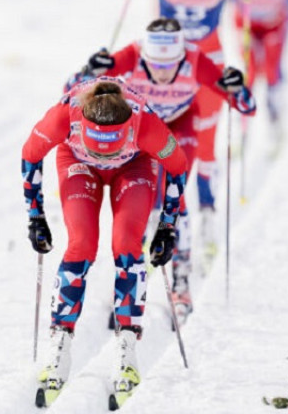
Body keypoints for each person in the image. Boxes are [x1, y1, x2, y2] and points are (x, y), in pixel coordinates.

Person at [98, 0, 282, 267]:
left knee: (206, 141)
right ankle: (154, 218)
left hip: (208, 61)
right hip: (163, 64)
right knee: (157, 142)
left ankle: (207, 214)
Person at [76, 17, 256, 323]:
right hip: (141, 129)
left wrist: (237, 88)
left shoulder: (195, 60)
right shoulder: (131, 55)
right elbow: (73, 91)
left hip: (180, 126)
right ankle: (129, 276)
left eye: (169, 66)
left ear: (181, 56)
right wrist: (89, 71)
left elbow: (247, 106)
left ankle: (181, 283)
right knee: (139, 201)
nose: (161, 74)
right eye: (154, 65)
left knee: (175, 197)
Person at [22, 78, 188, 407]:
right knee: (81, 244)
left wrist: (168, 225)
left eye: (108, 148)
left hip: (134, 166)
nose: (102, 156)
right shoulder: (63, 116)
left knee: (127, 244)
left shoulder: (146, 124)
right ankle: (59, 344)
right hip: (77, 164)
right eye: (96, 146)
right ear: (82, 124)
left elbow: (178, 166)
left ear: (127, 129)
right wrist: (36, 217)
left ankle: (127, 348)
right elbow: (30, 156)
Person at [233, 0, 288, 140]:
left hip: (273, 23)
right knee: (249, 71)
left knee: (271, 71)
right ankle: (242, 125)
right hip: (247, 23)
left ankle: (275, 119)